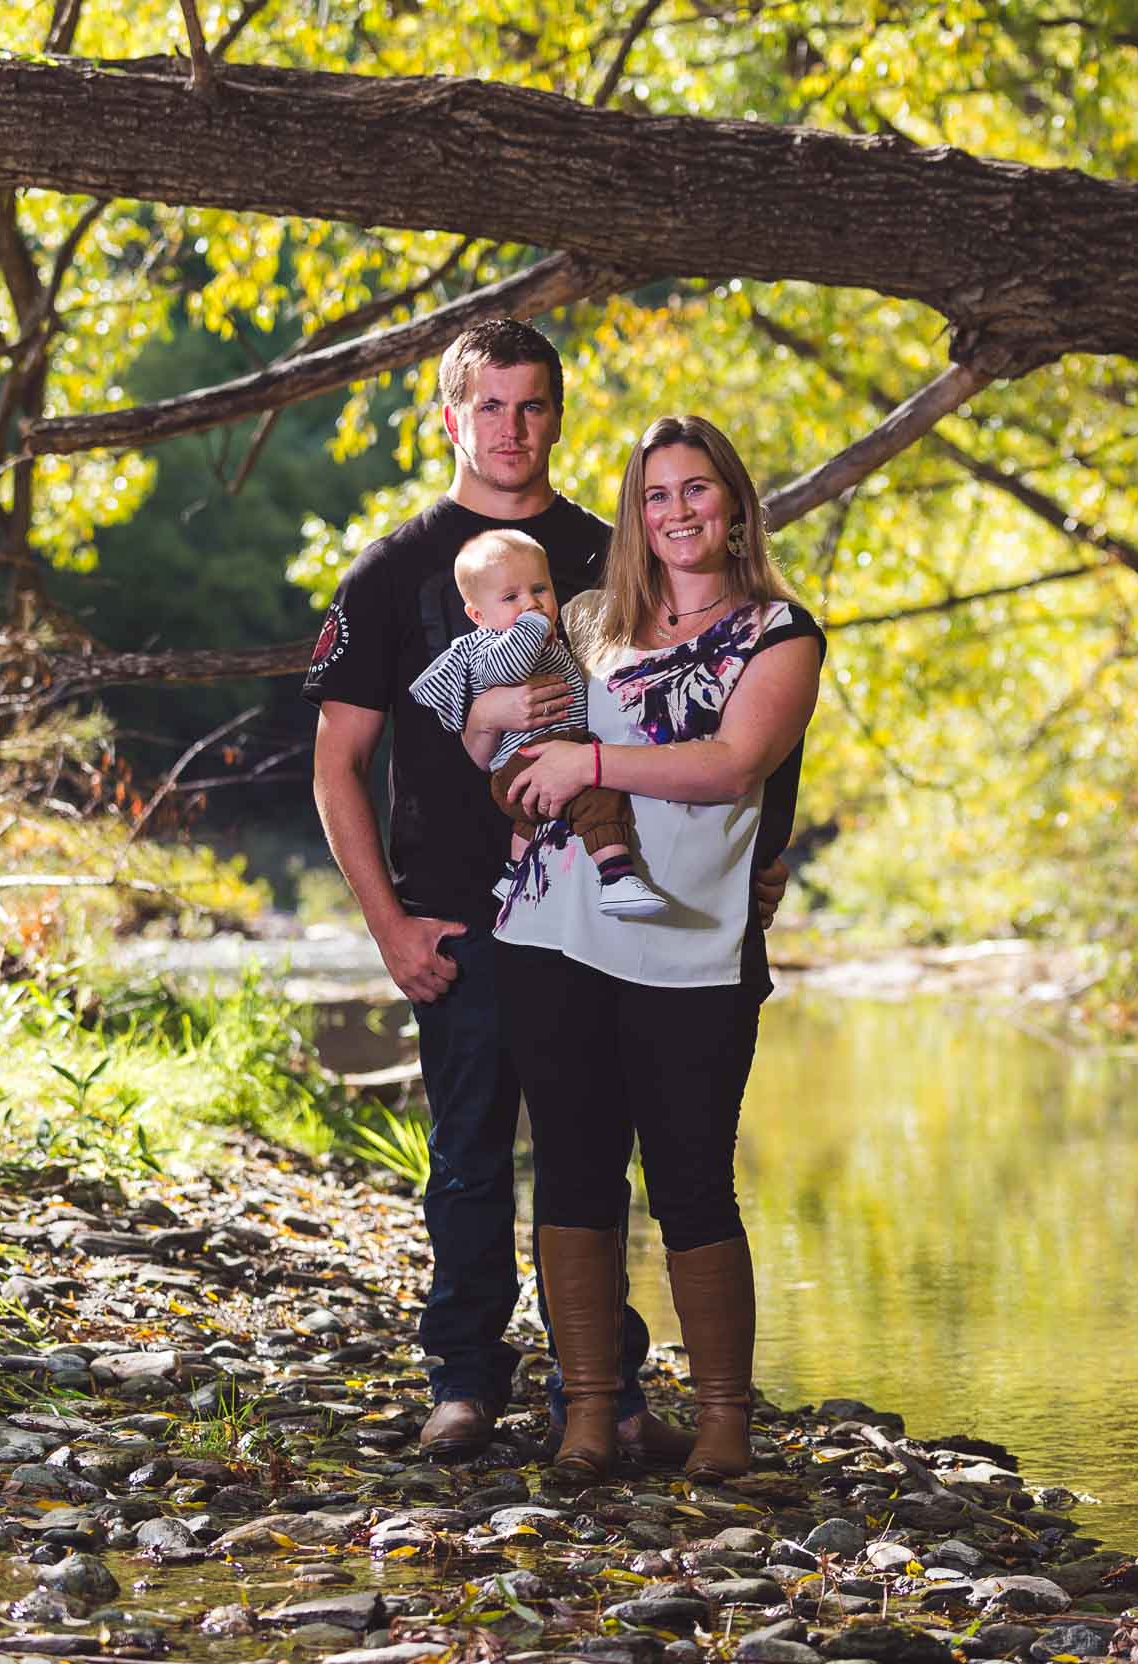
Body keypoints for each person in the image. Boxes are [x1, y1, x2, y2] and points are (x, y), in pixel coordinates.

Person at [306, 319, 781, 1461]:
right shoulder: (394, 568)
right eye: (489, 406)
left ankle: (603, 1391)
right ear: (450, 416)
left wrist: (758, 873)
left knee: (590, 1151)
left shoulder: (610, 551)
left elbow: (727, 705)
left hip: (593, 911)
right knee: (470, 1154)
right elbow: (335, 761)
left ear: (557, 416)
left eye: (533, 407)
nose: (511, 430)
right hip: (461, 912)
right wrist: (387, 924)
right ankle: (463, 1380)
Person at [480, 414, 825, 1484]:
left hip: (691, 946)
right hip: (554, 933)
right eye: (655, 493)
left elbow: (731, 765)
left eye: (695, 489)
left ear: (733, 504)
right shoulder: (582, 620)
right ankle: (590, 1417)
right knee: (575, 1175)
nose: (676, 511)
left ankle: (723, 1425)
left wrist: (592, 757)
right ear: (635, 513)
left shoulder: (780, 632)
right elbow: (510, 748)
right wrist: (514, 773)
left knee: (691, 1181)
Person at [406, 528, 663, 917]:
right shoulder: (488, 647)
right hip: (521, 764)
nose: (531, 603)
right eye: (511, 597)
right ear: (478, 615)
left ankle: (513, 873)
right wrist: (531, 624)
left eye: (540, 590)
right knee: (597, 797)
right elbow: (507, 667)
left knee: (533, 823)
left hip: (548, 753)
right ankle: (615, 876)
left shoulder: (551, 641)